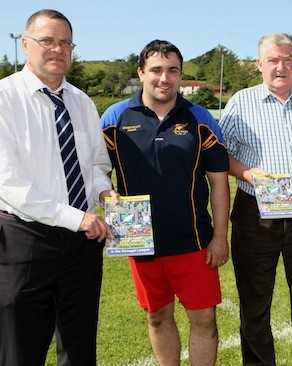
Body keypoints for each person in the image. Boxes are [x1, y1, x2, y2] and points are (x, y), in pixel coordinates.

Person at [101, 40, 230, 365]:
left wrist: (219, 236)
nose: (164, 77)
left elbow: (218, 181)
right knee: (157, 317)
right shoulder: (114, 118)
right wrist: (105, 193)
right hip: (139, 241)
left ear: (180, 75)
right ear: (141, 72)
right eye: (156, 69)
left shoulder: (199, 118)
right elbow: (97, 171)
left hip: (194, 243)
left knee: (204, 321)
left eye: (173, 70)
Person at [0, 9, 116, 365]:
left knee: (79, 349)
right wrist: (75, 218)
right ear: (25, 45)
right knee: (21, 350)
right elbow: (8, 182)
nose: (57, 49)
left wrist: (102, 192)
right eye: (47, 40)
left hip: (82, 245)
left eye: (65, 42)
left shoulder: (81, 102)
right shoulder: (5, 98)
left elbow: (96, 164)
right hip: (25, 241)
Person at [219, 33, 292, 365]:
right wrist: (248, 174)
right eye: (273, 60)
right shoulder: (240, 103)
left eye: (287, 59)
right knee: (255, 305)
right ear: (260, 65)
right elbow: (220, 156)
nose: (281, 66)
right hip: (255, 215)